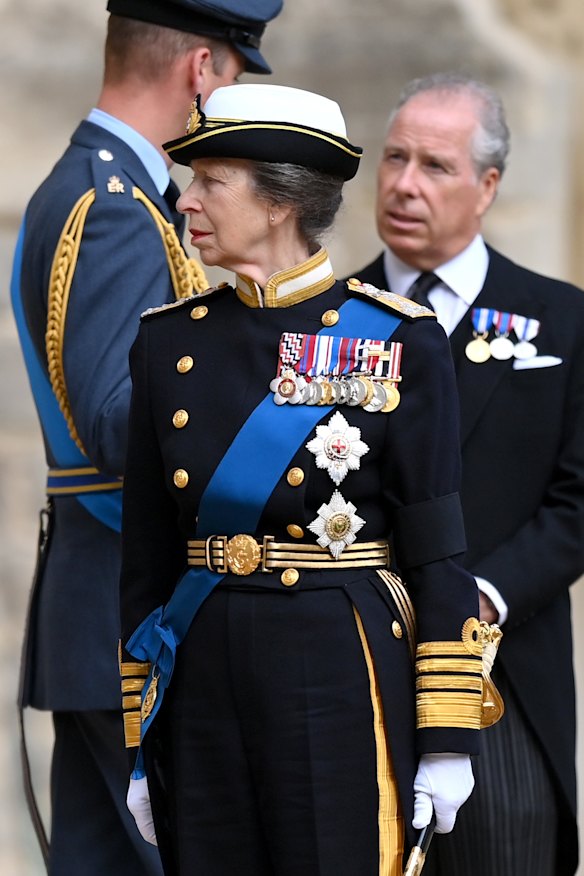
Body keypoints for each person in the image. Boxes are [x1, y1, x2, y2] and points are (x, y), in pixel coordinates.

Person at [117, 81, 494, 876]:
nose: (186, 201)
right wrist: (139, 741)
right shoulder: (166, 343)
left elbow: (437, 554)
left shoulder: (397, 340)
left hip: (336, 667)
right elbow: (146, 560)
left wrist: (446, 739)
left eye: (211, 181)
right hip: (201, 672)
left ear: (279, 201)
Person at [10, 2, 282, 874]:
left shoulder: (111, 191)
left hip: (107, 616)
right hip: (130, 618)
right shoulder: (113, 207)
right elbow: (117, 420)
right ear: (200, 70)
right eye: (230, 76)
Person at [349, 71, 584, 876]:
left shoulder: (562, 320)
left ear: (487, 186)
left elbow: (577, 502)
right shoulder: (330, 321)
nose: (405, 184)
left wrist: (479, 600)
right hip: (356, 674)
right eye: (395, 158)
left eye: (435, 166)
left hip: (501, 679)